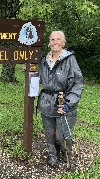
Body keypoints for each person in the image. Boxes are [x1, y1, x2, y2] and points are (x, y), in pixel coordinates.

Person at [37, 31, 83, 167]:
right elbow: (40, 78)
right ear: (49, 43)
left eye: (58, 39)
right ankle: (52, 155)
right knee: (49, 132)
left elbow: (78, 83)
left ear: (63, 43)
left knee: (61, 135)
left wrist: (69, 103)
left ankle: (67, 155)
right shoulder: (44, 60)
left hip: (63, 102)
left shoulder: (70, 59)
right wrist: (29, 71)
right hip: (46, 102)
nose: (55, 42)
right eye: (52, 39)